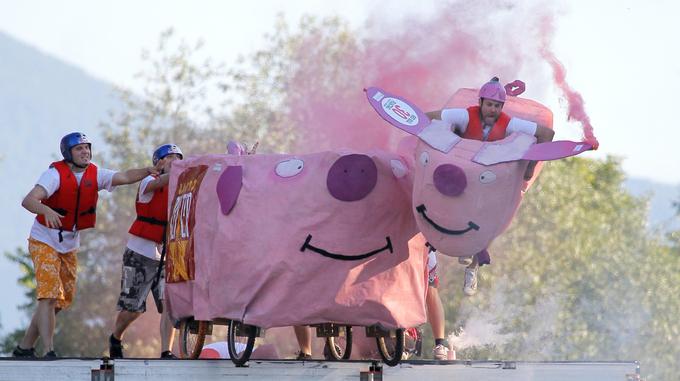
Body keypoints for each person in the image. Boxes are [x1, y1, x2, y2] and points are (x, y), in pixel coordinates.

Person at [12, 132, 160, 358]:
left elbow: (124, 176)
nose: (85, 152)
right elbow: (29, 200)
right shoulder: (54, 175)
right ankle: (49, 350)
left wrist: (146, 171)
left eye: (87, 148)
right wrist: (46, 210)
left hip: (69, 244)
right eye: (79, 149)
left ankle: (24, 347)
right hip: (44, 239)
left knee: (60, 300)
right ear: (68, 154)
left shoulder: (95, 174)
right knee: (49, 296)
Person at [426, 77, 555, 296]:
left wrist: (531, 165)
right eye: (489, 104)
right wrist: (441, 140)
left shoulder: (508, 123)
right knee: (447, 207)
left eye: (497, 106)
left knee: (486, 220)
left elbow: (546, 134)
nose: (492, 110)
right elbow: (428, 119)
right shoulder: (465, 115)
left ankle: (472, 267)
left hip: (486, 182)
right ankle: (441, 251)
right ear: (481, 103)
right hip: (461, 178)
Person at [108, 144, 184, 359]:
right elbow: (160, 181)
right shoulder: (148, 182)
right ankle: (116, 337)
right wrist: (175, 172)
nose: (175, 161)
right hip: (139, 253)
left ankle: (166, 351)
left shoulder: (180, 187)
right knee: (133, 308)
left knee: (171, 305)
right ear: (158, 163)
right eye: (169, 158)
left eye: (178, 157)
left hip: (166, 254)